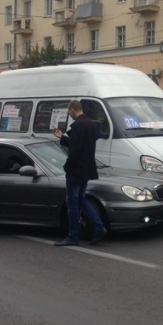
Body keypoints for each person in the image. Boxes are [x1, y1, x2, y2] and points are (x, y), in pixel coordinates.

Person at [52, 100, 108, 246]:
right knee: (81, 199)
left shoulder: (77, 125)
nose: (70, 115)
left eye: (69, 112)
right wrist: (62, 137)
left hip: (76, 170)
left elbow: (75, 151)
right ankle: (99, 227)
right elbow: (81, 145)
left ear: (72, 110)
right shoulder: (89, 123)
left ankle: (73, 236)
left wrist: (67, 167)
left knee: (72, 203)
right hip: (87, 169)